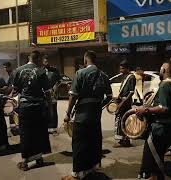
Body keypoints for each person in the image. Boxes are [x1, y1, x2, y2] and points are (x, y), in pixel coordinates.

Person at [62, 50, 112, 180]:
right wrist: (99, 105)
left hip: (82, 116)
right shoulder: (104, 76)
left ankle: (76, 174)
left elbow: (73, 96)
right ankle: (91, 169)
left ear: (85, 60)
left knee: (79, 144)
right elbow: (110, 97)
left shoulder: (81, 73)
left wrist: (68, 114)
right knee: (93, 142)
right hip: (96, 116)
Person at [136, 61, 171, 180]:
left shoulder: (166, 85)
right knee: (158, 157)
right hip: (170, 126)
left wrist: (145, 110)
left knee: (152, 159)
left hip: (160, 127)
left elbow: (163, 108)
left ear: (164, 70)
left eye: (161, 68)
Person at [12, 50, 52, 171]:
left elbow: (15, 90)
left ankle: (25, 161)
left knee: (25, 133)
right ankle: (38, 158)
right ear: (39, 59)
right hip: (38, 107)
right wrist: (49, 106)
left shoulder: (18, 71)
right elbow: (47, 92)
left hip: (25, 107)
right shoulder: (41, 71)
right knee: (39, 132)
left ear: (29, 58)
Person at [113, 60, 136, 148]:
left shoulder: (131, 77)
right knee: (123, 121)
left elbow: (131, 93)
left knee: (122, 121)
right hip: (123, 101)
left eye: (122, 68)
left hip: (125, 104)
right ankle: (124, 140)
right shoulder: (126, 77)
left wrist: (121, 103)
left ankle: (124, 141)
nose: (120, 70)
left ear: (127, 68)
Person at [42, 55, 61, 134]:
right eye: (45, 61)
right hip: (43, 94)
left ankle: (53, 127)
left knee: (53, 109)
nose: (46, 63)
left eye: (48, 61)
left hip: (52, 93)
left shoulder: (55, 70)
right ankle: (46, 127)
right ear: (42, 62)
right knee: (45, 110)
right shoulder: (40, 71)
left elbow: (59, 81)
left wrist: (55, 88)